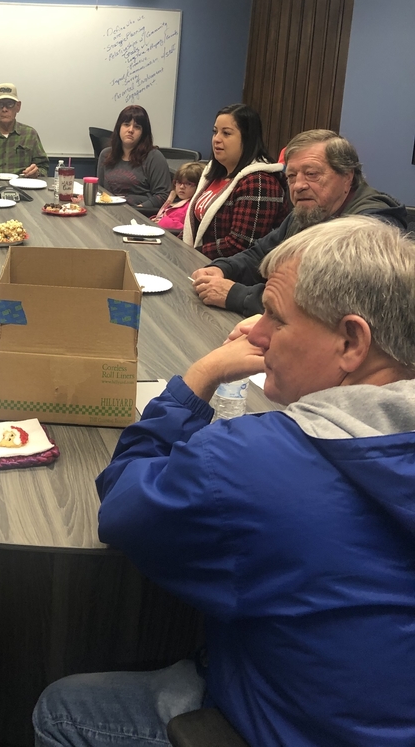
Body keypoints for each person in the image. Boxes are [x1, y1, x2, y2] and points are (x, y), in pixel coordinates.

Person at [34, 216, 415, 747]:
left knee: (62, 709)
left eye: (276, 319)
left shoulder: (252, 462)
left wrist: (199, 376)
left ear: (352, 341)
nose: (255, 332)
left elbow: (121, 503)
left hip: (293, 727)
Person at [191, 129, 408, 316]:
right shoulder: (311, 209)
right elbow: (261, 254)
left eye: (311, 174)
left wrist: (236, 295)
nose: (298, 186)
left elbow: (324, 303)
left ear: (347, 177)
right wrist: (223, 269)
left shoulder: (371, 225)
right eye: (292, 176)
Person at [182, 103, 288, 258]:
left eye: (226, 133)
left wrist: (187, 254)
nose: (216, 139)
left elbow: (241, 245)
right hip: (201, 263)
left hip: (230, 275)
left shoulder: (259, 182)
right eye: (215, 132)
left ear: (247, 138)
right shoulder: (214, 174)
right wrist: (174, 247)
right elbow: (194, 228)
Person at [97, 105, 172, 215]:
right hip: (110, 213)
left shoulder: (154, 157)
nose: (130, 130)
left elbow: (163, 194)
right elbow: (100, 190)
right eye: (126, 124)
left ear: (143, 133)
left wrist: (139, 209)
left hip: (141, 215)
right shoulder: (106, 155)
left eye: (137, 127)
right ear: (119, 128)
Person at [151, 159, 206, 235]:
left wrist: (162, 222)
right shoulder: (176, 200)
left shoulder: (192, 207)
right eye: (179, 182)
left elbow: (185, 229)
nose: (182, 187)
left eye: (188, 184)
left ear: (200, 185)